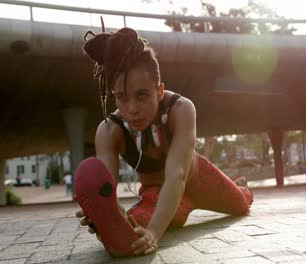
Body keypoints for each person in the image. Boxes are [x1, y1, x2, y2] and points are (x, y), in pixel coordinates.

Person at [74, 26, 253, 257]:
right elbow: (107, 194)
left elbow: (177, 174)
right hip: (158, 198)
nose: (132, 109)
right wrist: (102, 215)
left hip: (199, 181)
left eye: (141, 95)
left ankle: (242, 187)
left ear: (159, 91)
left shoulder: (181, 109)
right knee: (132, 231)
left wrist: (155, 234)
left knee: (240, 205)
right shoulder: (109, 131)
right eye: (122, 97)